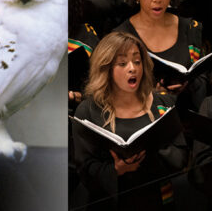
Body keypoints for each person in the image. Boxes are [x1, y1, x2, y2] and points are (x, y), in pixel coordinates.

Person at [72, 32, 188, 210]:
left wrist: (156, 148)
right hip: (112, 203)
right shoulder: (88, 111)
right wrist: (117, 170)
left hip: (158, 200)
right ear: (106, 68)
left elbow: (181, 157)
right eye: (122, 63)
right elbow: (83, 168)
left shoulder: (163, 104)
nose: (132, 68)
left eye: (137, 61)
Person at [113, 0, 209, 110]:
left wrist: (187, 84)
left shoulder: (191, 27)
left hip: (190, 117)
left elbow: (203, 83)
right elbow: (114, 91)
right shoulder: (120, 36)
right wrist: (153, 94)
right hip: (144, 120)